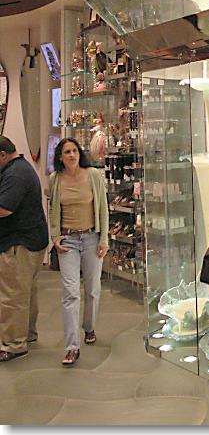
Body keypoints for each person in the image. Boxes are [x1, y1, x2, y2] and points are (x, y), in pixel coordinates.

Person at [49, 138, 109, 366]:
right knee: (70, 292)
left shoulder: (92, 175)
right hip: (68, 241)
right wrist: (55, 236)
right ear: (61, 157)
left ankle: (89, 327)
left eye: (74, 150)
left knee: (92, 290)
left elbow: (103, 208)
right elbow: (53, 208)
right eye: (67, 152)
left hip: (92, 238)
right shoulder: (55, 179)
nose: (72, 155)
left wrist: (104, 239)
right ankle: (72, 346)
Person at [0, 135, 48, 362]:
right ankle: (26, 333)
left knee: (12, 295)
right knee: (25, 291)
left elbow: (4, 208)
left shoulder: (15, 174)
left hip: (19, 243)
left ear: (2, 154)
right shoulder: (19, 169)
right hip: (30, 240)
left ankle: (13, 344)